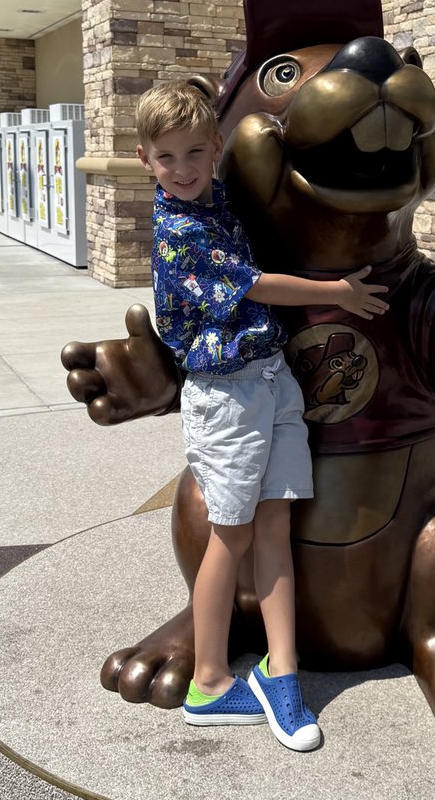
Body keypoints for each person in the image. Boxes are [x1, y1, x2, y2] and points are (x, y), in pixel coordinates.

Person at [136, 80, 388, 751]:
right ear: (145, 159)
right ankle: (209, 682)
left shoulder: (214, 198)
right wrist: (337, 292)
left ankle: (282, 672)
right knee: (232, 536)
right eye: (167, 157)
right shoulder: (180, 230)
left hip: (273, 381)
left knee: (275, 527)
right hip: (226, 397)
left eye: (196, 152)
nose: (183, 169)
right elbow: (255, 285)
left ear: (216, 147)